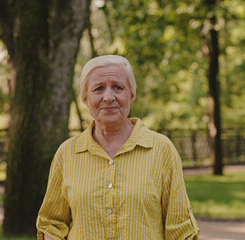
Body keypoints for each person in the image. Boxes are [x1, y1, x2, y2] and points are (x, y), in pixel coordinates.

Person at [36, 55, 199, 239]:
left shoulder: (162, 150)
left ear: (131, 95)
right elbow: (52, 224)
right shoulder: (67, 153)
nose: (108, 97)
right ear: (85, 99)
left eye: (118, 88)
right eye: (98, 89)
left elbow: (180, 229)